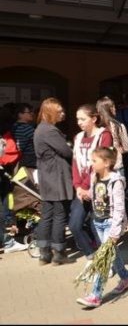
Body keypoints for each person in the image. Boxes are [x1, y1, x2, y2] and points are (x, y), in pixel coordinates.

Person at [75, 147, 128, 308]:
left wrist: (115, 233)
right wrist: (87, 194)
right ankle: (126, 278)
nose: (91, 164)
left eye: (94, 161)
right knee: (113, 254)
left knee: (104, 259)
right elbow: (97, 196)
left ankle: (95, 295)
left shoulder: (116, 181)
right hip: (98, 222)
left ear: (106, 163)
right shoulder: (95, 177)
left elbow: (119, 208)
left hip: (110, 224)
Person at [34, 98, 74, 265]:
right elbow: (66, 151)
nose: (62, 114)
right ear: (50, 112)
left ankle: (44, 254)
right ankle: (59, 253)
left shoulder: (40, 129)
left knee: (47, 215)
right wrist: (70, 146)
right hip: (56, 177)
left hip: (47, 176)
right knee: (59, 215)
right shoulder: (49, 130)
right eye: (59, 112)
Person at [70, 105, 113, 261]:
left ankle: (106, 260)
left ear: (94, 119)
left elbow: (101, 164)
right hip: (81, 189)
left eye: (83, 119)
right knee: (75, 224)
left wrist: (89, 187)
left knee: (98, 227)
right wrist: (78, 187)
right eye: (77, 119)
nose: (79, 122)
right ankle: (90, 254)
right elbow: (75, 164)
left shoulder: (104, 135)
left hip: (98, 187)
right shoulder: (78, 138)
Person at [96, 97, 128, 176]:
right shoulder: (119, 126)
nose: (115, 109)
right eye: (113, 107)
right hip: (116, 165)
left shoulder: (96, 127)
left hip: (99, 165)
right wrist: (116, 149)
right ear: (108, 109)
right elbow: (126, 148)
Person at [13, 103, 37, 169]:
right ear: (20, 114)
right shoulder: (27, 128)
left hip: (19, 161)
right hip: (29, 163)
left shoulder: (14, 126)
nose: (32, 114)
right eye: (29, 112)